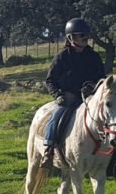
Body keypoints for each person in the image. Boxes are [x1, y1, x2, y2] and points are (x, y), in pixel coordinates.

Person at [41, 18, 105, 169]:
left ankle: (112, 157)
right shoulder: (62, 57)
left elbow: (102, 78)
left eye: (86, 35)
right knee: (56, 116)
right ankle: (48, 150)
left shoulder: (94, 56)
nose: (85, 38)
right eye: (81, 35)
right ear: (71, 37)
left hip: (91, 97)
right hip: (69, 98)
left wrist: (94, 86)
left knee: (109, 119)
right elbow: (50, 80)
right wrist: (57, 95)